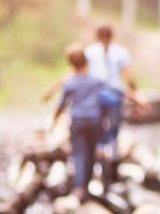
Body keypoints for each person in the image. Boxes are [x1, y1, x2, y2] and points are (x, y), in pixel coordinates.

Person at [52, 43, 105, 201]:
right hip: (95, 120)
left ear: (70, 63)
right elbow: (109, 96)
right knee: (91, 153)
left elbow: (61, 105)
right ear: (86, 61)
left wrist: (53, 122)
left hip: (78, 121)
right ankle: (86, 187)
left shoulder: (69, 82)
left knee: (79, 154)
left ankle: (80, 188)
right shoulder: (95, 80)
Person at [84, 25, 140, 161]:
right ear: (112, 36)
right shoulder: (120, 51)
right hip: (114, 94)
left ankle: (99, 148)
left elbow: (83, 73)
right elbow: (128, 76)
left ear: (96, 36)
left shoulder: (89, 51)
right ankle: (112, 147)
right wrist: (133, 93)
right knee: (114, 124)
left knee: (98, 123)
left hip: (95, 95)